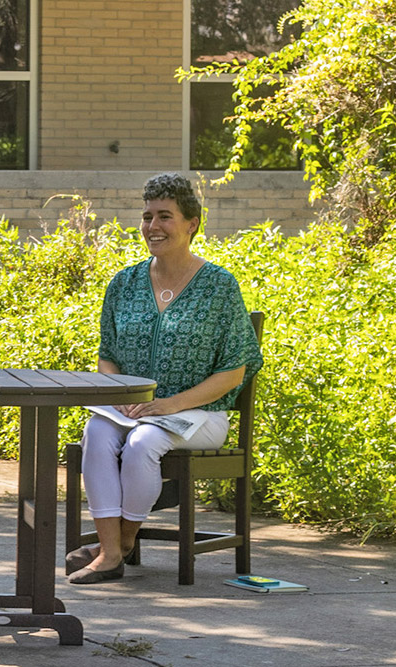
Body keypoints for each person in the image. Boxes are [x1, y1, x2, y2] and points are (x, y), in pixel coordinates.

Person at [67, 173, 263, 585]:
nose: (153, 226)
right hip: (133, 408)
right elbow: (108, 357)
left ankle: (115, 548)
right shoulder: (124, 283)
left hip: (200, 416)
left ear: (192, 223)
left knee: (142, 444)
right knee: (97, 434)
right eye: (147, 216)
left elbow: (235, 369)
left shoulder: (219, 287)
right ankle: (112, 551)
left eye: (165, 217)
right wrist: (120, 395)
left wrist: (171, 404)